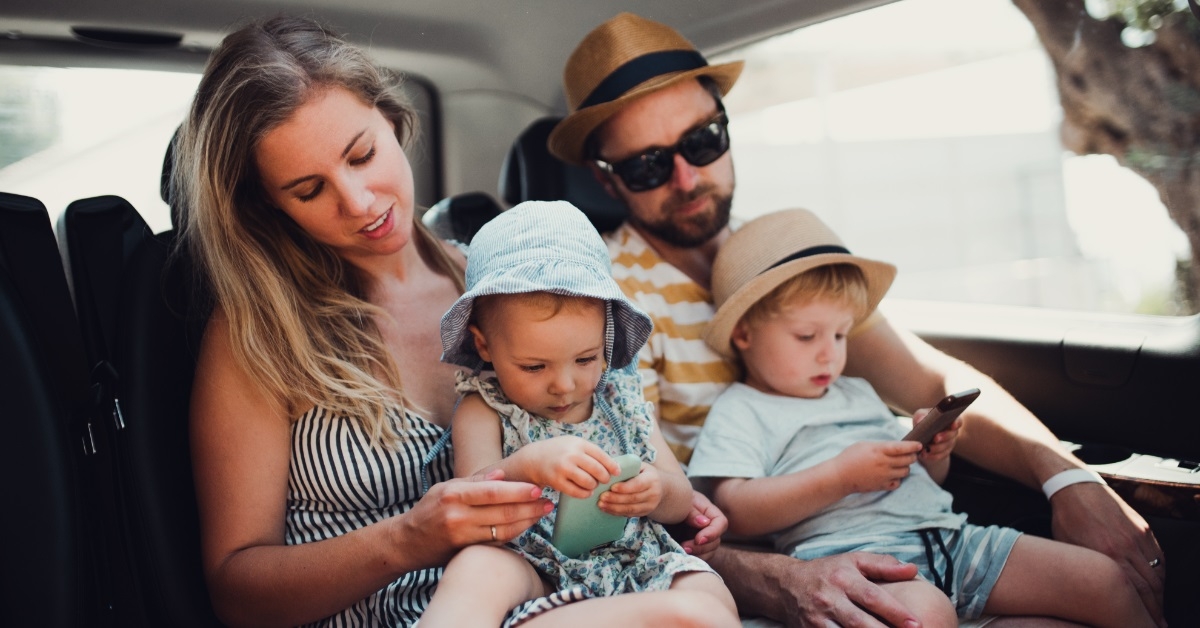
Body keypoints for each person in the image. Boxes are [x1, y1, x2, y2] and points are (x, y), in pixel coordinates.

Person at [545, 11, 1167, 628]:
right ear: (606, 177)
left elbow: (931, 381)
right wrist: (783, 579)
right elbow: (634, 512)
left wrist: (1068, 481)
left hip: (913, 539)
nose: (687, 178)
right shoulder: (607, 303)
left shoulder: (777, 254)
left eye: (703, 141)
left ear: (726, 126)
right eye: (648, 165)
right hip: (763, 565)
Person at [180, 16, 722, 628]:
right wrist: (409, 539)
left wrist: (685, 514)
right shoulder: (258, 333)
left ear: (392, 120)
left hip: (563, 601)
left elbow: (636, 490)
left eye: (363, 154)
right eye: (309, 190)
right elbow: (236, 593)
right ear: (267, 205)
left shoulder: (514, 290)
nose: (359, 202)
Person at [686, 208, 1156, 628]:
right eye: (807, 336)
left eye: (841, 334)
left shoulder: (854, 391)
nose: (830, 353)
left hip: (953, 538)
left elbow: (922, 483)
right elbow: (735, 508)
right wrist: (839, 477)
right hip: (856, 558)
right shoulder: (741, 409)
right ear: (744, 333)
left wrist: (932, 454)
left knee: (1104, 580)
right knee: (925, 616)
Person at [420, 200, 738, 627]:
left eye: (586, 359)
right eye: (534, 367)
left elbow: (680, 496)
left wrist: (655, 491)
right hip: (535, 569)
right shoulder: (484, 407)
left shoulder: (621, 396)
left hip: (634, 560)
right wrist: (527, 465)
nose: (565, 386)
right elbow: (470, 502)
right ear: (483, 346)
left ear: (605, 337)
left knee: (708, 592)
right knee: (478, 566)